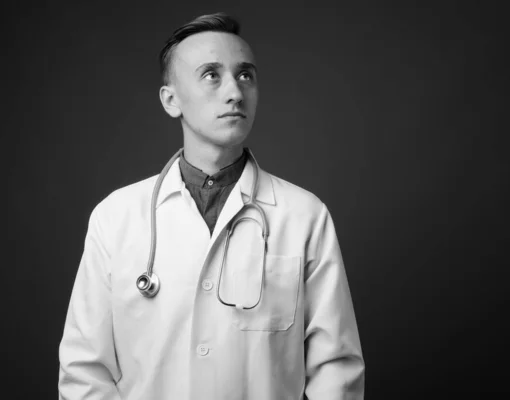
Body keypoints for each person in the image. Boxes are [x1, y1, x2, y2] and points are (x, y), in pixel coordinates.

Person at [58, 12, 365, 399]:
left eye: (245, 75)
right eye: (211, 75)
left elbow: (335, 369)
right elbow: (85, 370)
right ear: (171, 100)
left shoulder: (305, 216)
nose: (235, 92)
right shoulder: (115, 217)